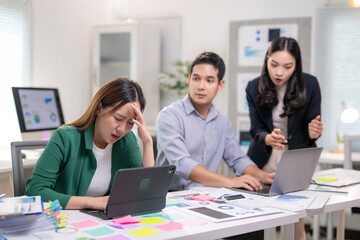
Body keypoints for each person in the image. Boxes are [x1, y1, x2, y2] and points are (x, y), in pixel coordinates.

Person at [25, 78, 154, 210]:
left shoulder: (127, 141)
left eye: (130, 123)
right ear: (99, 108)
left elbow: (143, 192)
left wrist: (147, 143)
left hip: (101, 223)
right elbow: (35, 191)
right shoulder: (64, 137)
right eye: (118, 118)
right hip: (63, 220)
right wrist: (93, 202)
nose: (122, 129)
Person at [156, 51, 274, 192]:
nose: (201, 86)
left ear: (220, 85)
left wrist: (263, 176)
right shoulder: (169, 116)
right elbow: (182, 164)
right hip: (171, 198)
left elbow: (237, 159)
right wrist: (230, 182)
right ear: (189, 80)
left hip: (208, 198)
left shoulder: (222, 122)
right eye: (196, 79)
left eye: (209, 80)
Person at [246, 37, 323, 240]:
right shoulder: (253, 87)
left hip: (296, 155)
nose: (279, 72)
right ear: (266, 60)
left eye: (288, 66)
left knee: (296, 214)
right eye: (274, 64)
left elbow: (313, 126)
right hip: (264, 157)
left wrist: (314, 131)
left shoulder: (311, 84)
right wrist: (267, 138)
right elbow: (255, 129)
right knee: (259, 213)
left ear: (296, 65)